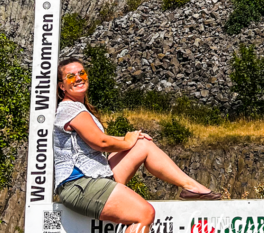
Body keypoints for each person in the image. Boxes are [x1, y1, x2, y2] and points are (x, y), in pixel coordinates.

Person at [54, 57, 220, 233]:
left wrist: (133, 138)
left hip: (94, 175)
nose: (79, 78)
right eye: (71, 76)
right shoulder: (70, 109)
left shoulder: (78, 108)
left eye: (81, 73)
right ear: (62, 86)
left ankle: (191, 187)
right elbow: (100, 142)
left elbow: (101, 139)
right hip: (80, 185)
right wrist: (126, 141)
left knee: (142, 144)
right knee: (144, 214)